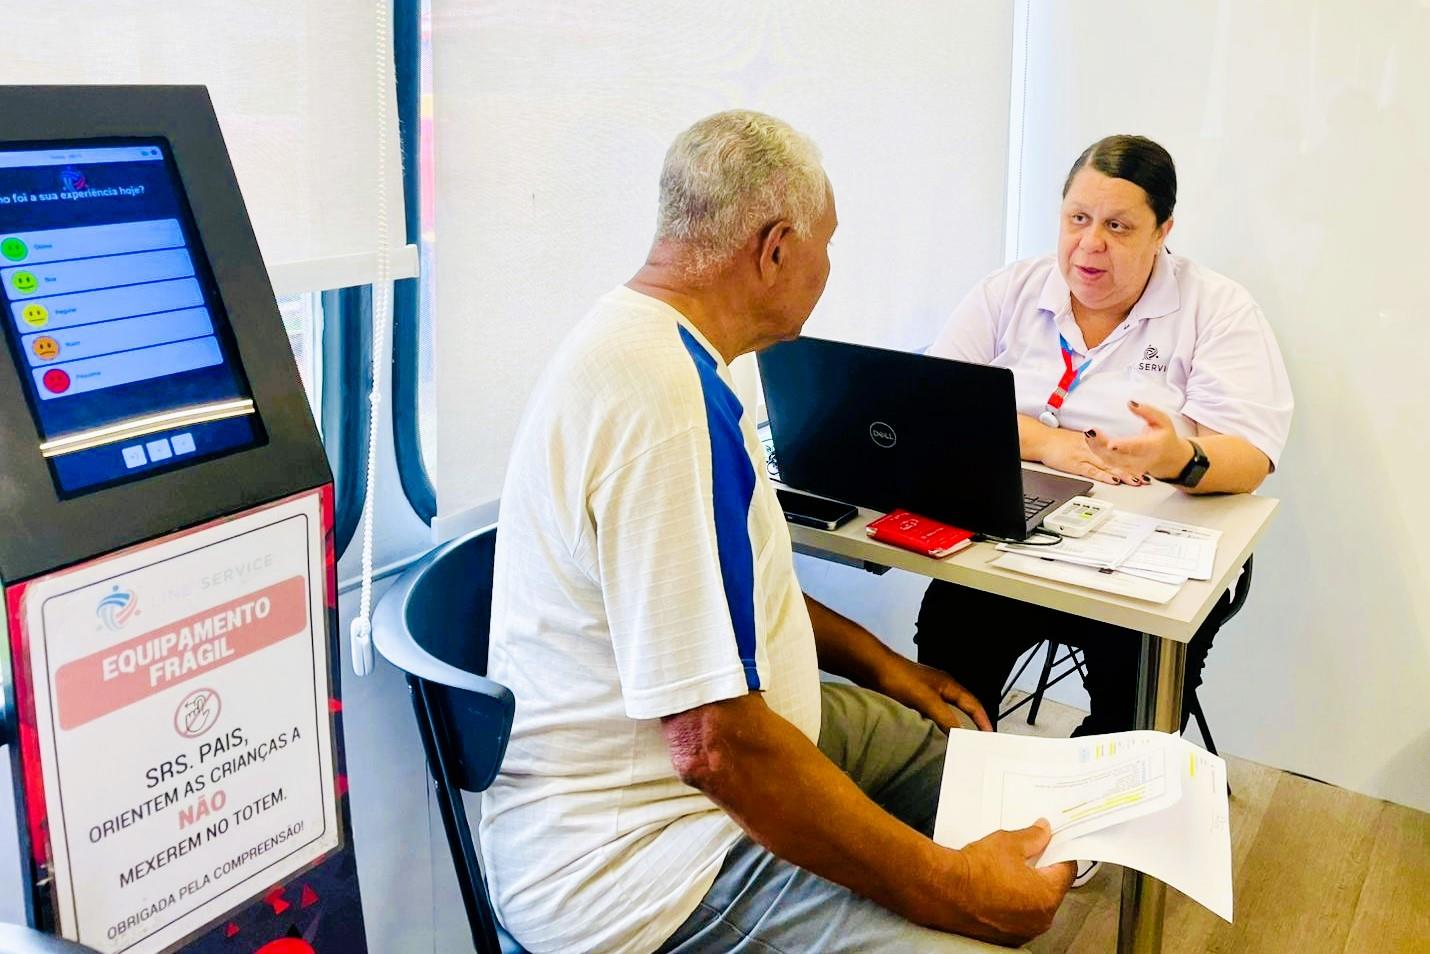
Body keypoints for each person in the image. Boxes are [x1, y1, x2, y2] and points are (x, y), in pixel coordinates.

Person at [480, 110, 1074, 954]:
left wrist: (883, 665)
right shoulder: (663, 408)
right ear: (776, 249)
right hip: (651, 862)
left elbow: (738, 602)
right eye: (827, 244)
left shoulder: (660, 348)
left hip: (742, 747)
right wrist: (959, 891)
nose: (829, 267)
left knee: (958, 758)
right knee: (966, 924)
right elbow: (716, 749)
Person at [917, 134, 1294, 741]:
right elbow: (933, 402)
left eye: (1118, 226)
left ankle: (1087, 792)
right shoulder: (1012, 290)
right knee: (948, 650)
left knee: (1131, 714)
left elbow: (1248, 457)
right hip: (1012, 534)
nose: (1090, 243)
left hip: (1144, 559)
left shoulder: (1216, 308)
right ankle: (956, 779)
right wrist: (1048, 442)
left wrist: (1178, 458)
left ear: (1162, 230)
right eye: (1078, 219)